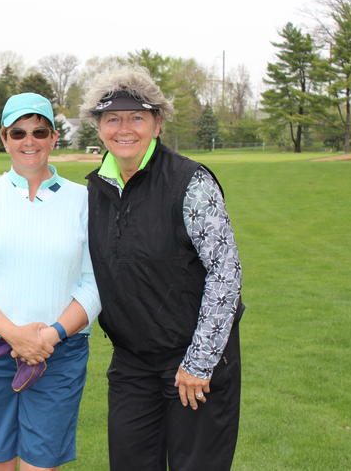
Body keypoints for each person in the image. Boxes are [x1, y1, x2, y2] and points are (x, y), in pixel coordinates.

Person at [82, 66, 244, 471]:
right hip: (131, 362)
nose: (124, 128)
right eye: (112, 118)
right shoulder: (96, 188)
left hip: (194, 358)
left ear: (157, 124)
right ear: (98, 128)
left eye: (136, 117)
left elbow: (225, 274)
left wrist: (199, 361)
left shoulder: (190, 181)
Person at [0, 92, 101, 471]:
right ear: (4, 139)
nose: (28, 141)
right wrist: (14, 335)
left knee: (41, 464)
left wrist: (49, 336)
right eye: (18, 133)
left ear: (54, 138)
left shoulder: (83, 200)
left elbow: (95, 283)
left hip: (58, 351)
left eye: (39, 131)